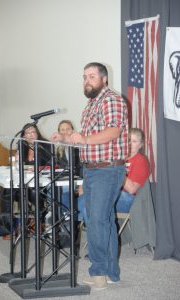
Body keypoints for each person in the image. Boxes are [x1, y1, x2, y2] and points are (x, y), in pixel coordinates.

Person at [51, 62, 128, 289]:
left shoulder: (111, 99)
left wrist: (83, 139)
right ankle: (111, 272)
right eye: (84, 77)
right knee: (104, 220)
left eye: (92, 76)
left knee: (96, 220)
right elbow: (87, 138)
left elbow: (114, 130)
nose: (87, 80)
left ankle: (98, 273)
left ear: (104, 79)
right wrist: (67, 139)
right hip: (92, 169)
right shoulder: (91, 104)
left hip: (107, 169)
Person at [115, 128, 150, 213]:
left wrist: (117, 168)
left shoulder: (141, 160)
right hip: (116, 194)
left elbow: (132, 190)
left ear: (141, 145)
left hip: (131, 199)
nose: (130, 144)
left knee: (98, 200)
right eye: (129, 140)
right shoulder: (121, 158)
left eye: (134, 141)